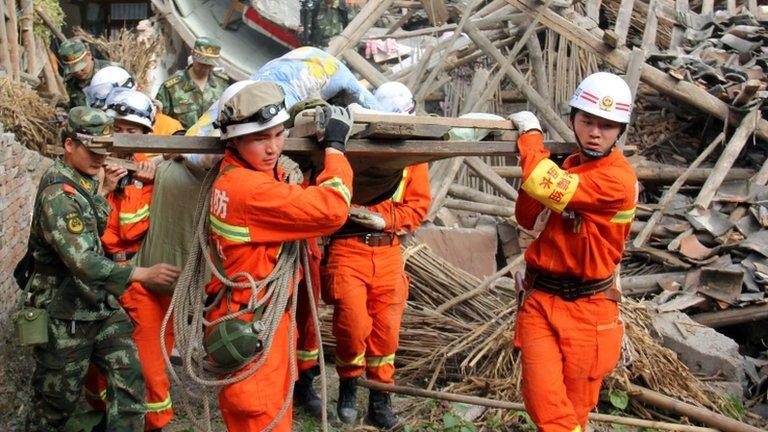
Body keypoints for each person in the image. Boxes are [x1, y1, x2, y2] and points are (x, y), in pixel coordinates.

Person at [203, 80, 354, 431]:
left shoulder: (234, 176)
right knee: (262, 417)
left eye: (277, 134)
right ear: (234, 140)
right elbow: (331, 210)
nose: (272, 148)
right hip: (254, 328)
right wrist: (335, 149)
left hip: (251, 321)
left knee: (271, 415)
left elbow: (281, 197)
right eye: (260, 138)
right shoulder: (249, 190)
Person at [23, 107, 181, 431]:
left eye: (103, 152)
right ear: (69, 145)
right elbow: (82, 260)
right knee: (55, 404)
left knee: (129, 381)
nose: (99, 159)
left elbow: (92, 224)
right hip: (65, 313)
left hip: (98, 306)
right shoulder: (58, 193)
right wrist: (142, 274)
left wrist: (105, 191)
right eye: (92, 152)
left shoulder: (82, 180)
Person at [509, 72, 637, 432]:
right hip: (540, 299)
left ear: (620, 131)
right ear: (573, 120)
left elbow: (539, 181)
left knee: (575, 414)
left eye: (607, 126)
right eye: (588, 121)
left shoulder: (618, 179)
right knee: (545, 405)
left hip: (590, 311)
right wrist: (545, 171)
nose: (596, 132)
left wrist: (531, 137)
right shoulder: (568, 167)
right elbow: (525, 215)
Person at [320, 82, 430, 429]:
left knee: (386, 335)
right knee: (352, 327)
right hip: (348, 249)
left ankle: (380, 401)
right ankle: (350, 386)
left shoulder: (414, 159)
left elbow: (418, 208)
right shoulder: (350, 149)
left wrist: (387, 220)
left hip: (388, 253)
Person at [81, 89, 179, 431]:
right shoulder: (91, 171)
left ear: (145, 135)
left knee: (150, 366)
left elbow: (134, 228)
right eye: (118, 127)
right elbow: (82, 231)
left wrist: (142, 180)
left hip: (144, 283)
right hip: (102, 278)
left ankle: (155, 425)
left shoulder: (160, 175)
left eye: (132, 131)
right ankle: (106, 419)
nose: (123, 136)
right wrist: (104, 189)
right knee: (96, 367)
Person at [155, 37, 231, 129]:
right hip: (182, 141)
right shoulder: (171, 87)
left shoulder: (223, 84)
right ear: (192, 54)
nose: (205, 68)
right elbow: (160, 121)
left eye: (210, 65)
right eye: (201, 63)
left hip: (215, 141)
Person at [58, 38, 120, 109]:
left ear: (89, 55)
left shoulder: (114, 71)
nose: (78, 72)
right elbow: (75, 106)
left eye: (81, 67)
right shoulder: (70, 80)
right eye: (73, 70)